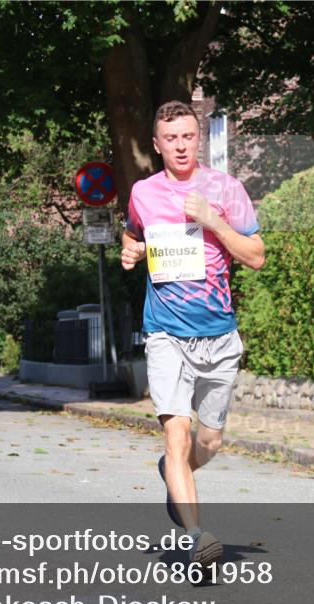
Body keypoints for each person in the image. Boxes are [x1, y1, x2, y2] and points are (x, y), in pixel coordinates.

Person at [120, 100, 265, 568]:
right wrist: (132, 253)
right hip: (164, 332)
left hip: (219, 333)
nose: (180, 146)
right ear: (157, 145)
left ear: (197, 139)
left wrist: (213, 221)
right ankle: (197, 537)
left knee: (209, 443)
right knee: (177, 436)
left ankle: (173, 472)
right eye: (171, 139)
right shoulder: (143, 192)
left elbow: (257, 256)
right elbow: (131, 233)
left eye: (187, 137)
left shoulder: (226, 188)